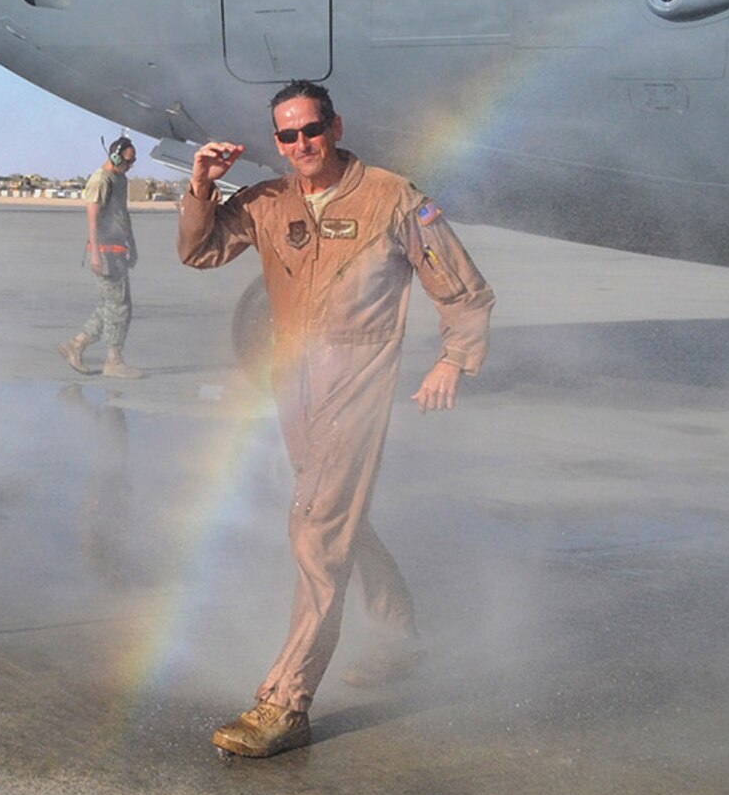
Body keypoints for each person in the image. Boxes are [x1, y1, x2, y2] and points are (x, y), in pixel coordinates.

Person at [178, 80, 494, 758]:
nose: (300, 145)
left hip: (360, 378)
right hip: (295, 380)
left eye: (311, 129)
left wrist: (453, 360)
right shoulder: (267, 200)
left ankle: (285, 702)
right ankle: (401, 633)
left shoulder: (392, 196)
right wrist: (202, 187)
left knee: (317, 527)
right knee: (337, 515)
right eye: (287, 135)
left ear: (336, 124)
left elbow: (462, 285)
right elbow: (199, 251)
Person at [62, 136, 143, 379]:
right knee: (119, 307)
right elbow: (93, 218)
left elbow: (122, 214)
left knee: (110, 306)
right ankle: (113, 361)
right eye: (128, 161)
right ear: (116, 157)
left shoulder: (120, 180)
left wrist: (133, 244)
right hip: (105, 252)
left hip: (118, 249)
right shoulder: (101, 180)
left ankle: (76, 344)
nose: (130, 166)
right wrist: (96, 253)